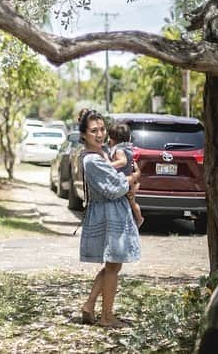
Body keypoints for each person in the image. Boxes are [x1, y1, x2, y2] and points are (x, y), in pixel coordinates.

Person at [77, 109, 141, 328]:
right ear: (83, 134)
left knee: (112, 265)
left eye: (102, 129)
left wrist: (128, 181)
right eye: (94, 130)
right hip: (108, 213)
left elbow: (117, 179)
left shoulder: (104, 153)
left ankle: (89, 305)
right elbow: (115, 187)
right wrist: (133, 178)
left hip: (112, 211)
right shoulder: (91, 159)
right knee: (114, 266)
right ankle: (106, 316)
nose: (100, 134)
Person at [108, 122, 145, 228]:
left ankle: (138, 219)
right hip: (130, 181)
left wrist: (107, 166)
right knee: (132, 202)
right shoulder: (128, 149)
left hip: (123, 182)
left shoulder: (119, 150)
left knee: (127, 202)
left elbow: (123, 161)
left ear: (112, 139)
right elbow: (133, 164)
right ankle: (139, 218)